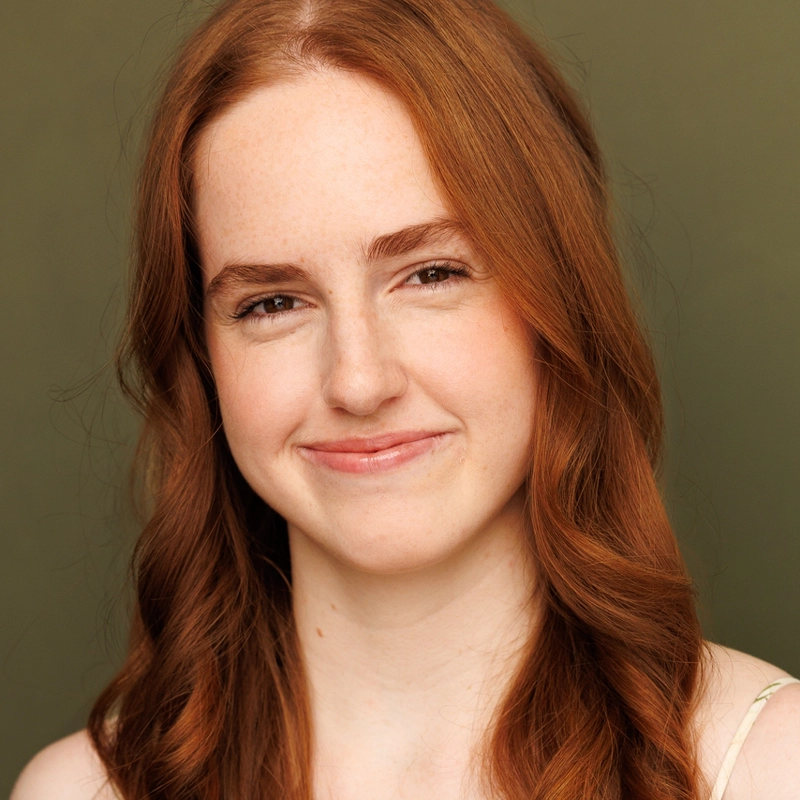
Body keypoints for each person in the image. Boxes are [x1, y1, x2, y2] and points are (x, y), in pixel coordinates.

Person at [11, 1, 800, 798]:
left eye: (431, 274)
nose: (358, 381)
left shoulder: (771, 767)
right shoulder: (78, 792)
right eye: (273, 303)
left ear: (559, 298)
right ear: (203, 357)